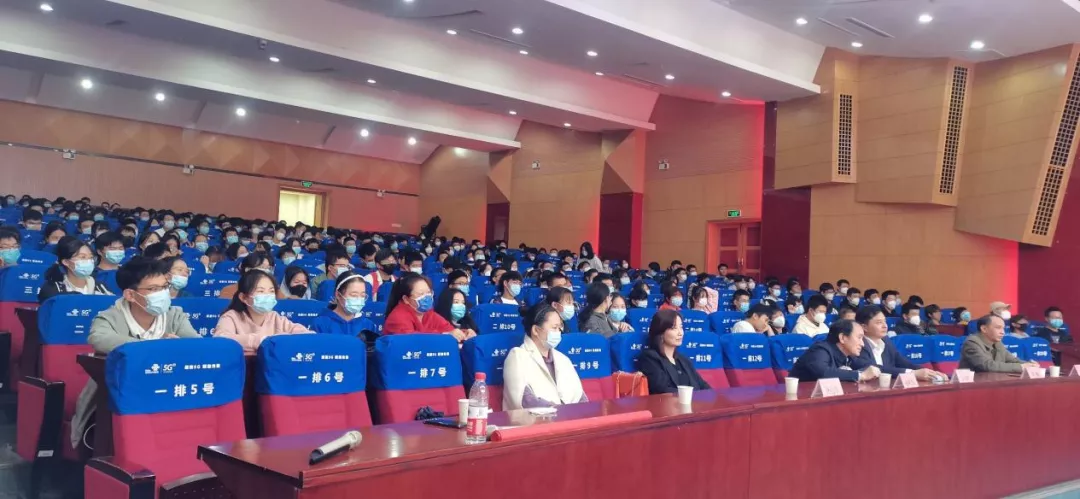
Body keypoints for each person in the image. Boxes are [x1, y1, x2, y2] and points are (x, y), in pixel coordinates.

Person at [72, 256, 199, 451]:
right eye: (153, 289)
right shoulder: (110, 317)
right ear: (130, 294)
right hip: (121, 397)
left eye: (164, 287)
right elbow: (98, 338)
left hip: (166, 393)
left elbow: (196, 345)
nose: (163, 293)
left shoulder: (174, 315)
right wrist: (154, 346)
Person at [502, 304, 587, 410]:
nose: (558, 332)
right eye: (554, 328)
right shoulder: (517, 356)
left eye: (559, 328)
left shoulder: (563, 359)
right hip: (535, 419)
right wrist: (561, 412)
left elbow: (580, 396)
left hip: (569, 418)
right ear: (535, 330)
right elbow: (526, 401)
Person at [213, 270, 308, 353]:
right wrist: (259, 340)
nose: (267, 296)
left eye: (271, 291)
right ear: (243, 297)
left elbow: (300, 332)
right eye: (261, 291)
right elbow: (221, 338)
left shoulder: (274, 316)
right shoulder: (231, 317)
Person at [856, 306, 946, 381]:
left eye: (885, 321)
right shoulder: (858, 345)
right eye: (879, 323)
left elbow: (901, 361)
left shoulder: (886, 340)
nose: (885, 326)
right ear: (864, 327)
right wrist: (913, 373)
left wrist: (929, 372)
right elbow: (875, 369)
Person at [636, 309, 710, 395]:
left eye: (681, 327)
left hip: (694, 402)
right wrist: (691, 396)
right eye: (674, 328)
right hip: (669, 403)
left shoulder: (684, 360)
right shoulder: (649, 358)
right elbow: (661, 389)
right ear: (661, 333)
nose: (680, 333)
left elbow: (702, 385)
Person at [788, 320, 881, 383]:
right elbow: (823, 373)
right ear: (842, 338)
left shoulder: (848, 355)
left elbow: (868, 366)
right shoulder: (820, 350)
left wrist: (874, 371)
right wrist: (860, 375)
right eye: (859, 337)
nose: (863, 344)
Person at [382, 273, 467, 341]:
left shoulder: (428, 313)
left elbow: (449, 329)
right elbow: (412, 340)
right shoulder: (398, 317)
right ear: (406, 299)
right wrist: (444, 335)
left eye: (428, 292)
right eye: (421, 294)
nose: (427, 297)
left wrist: (464, 333)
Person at [38, 237, 113, 302]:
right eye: (83, 257)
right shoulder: (53, 289)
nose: (89, 261)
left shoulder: (101, 287)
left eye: (91, 257)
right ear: (66, 262)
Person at [960, 315, 1040, 373]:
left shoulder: (997, 343)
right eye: (998, 328)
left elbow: (1012, 360)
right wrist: (1021, 367)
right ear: (984, 329)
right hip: (972, 385)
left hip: (992, 382)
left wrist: (1029, 365)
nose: (1003, 332)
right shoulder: (972, 342)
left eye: (1003, 328)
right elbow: (988, 365)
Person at [310, 271, 377, 339]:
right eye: (354, 295)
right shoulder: (321, 323)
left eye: (362, 295)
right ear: (338, 295)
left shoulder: (368, 325)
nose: (359, 299)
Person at [218, 253, 283, 300]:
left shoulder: (276, 291)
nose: (266, 271)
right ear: (248, 269)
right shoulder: (230, 290)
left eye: (269, 268)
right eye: (262, 267)